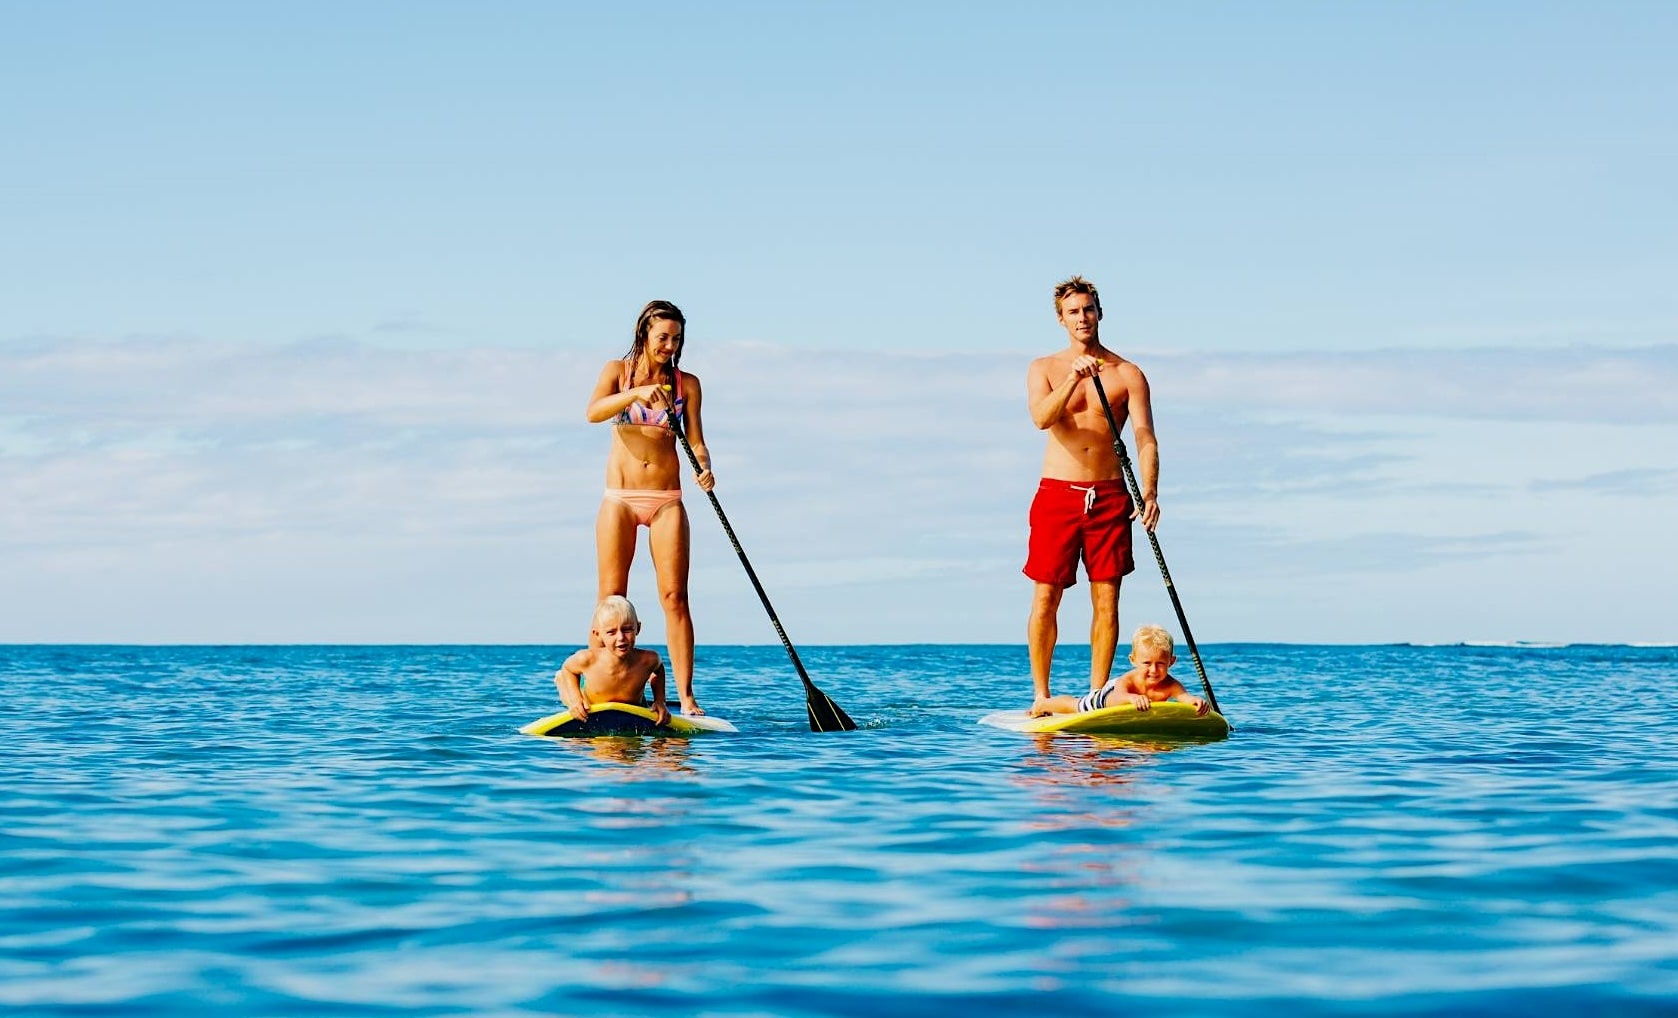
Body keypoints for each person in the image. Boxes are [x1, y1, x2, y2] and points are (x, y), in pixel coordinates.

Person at [1024, 275, 1160, 703]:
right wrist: (1072, 381)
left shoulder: (1128, 374)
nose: (1082, 318)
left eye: (1088, 310)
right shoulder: (1043, 368)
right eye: (1073, 312)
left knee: (1107, 598)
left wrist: (1151, 492)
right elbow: (1041, 418)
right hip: (1057, 494)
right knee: (1047, 595)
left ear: (1100, 313)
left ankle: (1097, 694)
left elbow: (1145, 437)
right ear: (1060, 319)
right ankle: (1041, 697)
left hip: (1110, 495)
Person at [586, 300, 713, 715]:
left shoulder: (686, 384)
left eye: (676, 339)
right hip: (620, 498)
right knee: (610, 598)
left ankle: (688, 696)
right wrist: (637, 392)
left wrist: (706, 467)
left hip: (666, 499)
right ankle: (600, 690)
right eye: (663, 337)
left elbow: (695, 440)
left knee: (675, 597)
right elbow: (593, 412)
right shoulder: (616, 372)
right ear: (644, 333)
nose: (669, 345)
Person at [1030, 624, 1207, 717]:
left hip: (1132, 707)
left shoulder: (1171, 683)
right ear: (1133, 660)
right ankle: (1043, 703)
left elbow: (1183, 696)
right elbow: (1118, 696)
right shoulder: (1128, 680)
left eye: (1161, 663)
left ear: (1172, 662)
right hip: (1104, 699)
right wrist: (1133, 698)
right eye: (1147, 663)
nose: (1154, 670)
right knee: (1077, 705)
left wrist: (1195, 701)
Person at [553, 596, 670, 725]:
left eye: (627, 629)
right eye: (611, 632)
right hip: (592, 704)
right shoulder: (587, 659)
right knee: (573, 743)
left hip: (633, 704)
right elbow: (568, 668)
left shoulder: (648, 660)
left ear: (638, 628)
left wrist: (660, 701)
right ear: (597, 635)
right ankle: (561, 682)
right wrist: (576, 700)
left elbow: (658, 669)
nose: (620, 637)